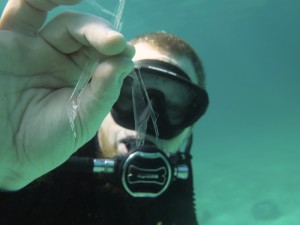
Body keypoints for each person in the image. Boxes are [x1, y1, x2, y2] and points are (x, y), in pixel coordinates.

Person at [0, 1, 209, 225]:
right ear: (104, 90)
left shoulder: (175, 188)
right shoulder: (38, 153)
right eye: (131, 95)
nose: (146, 121)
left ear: (189, 130)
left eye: (175, 107)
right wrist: (5, 171)